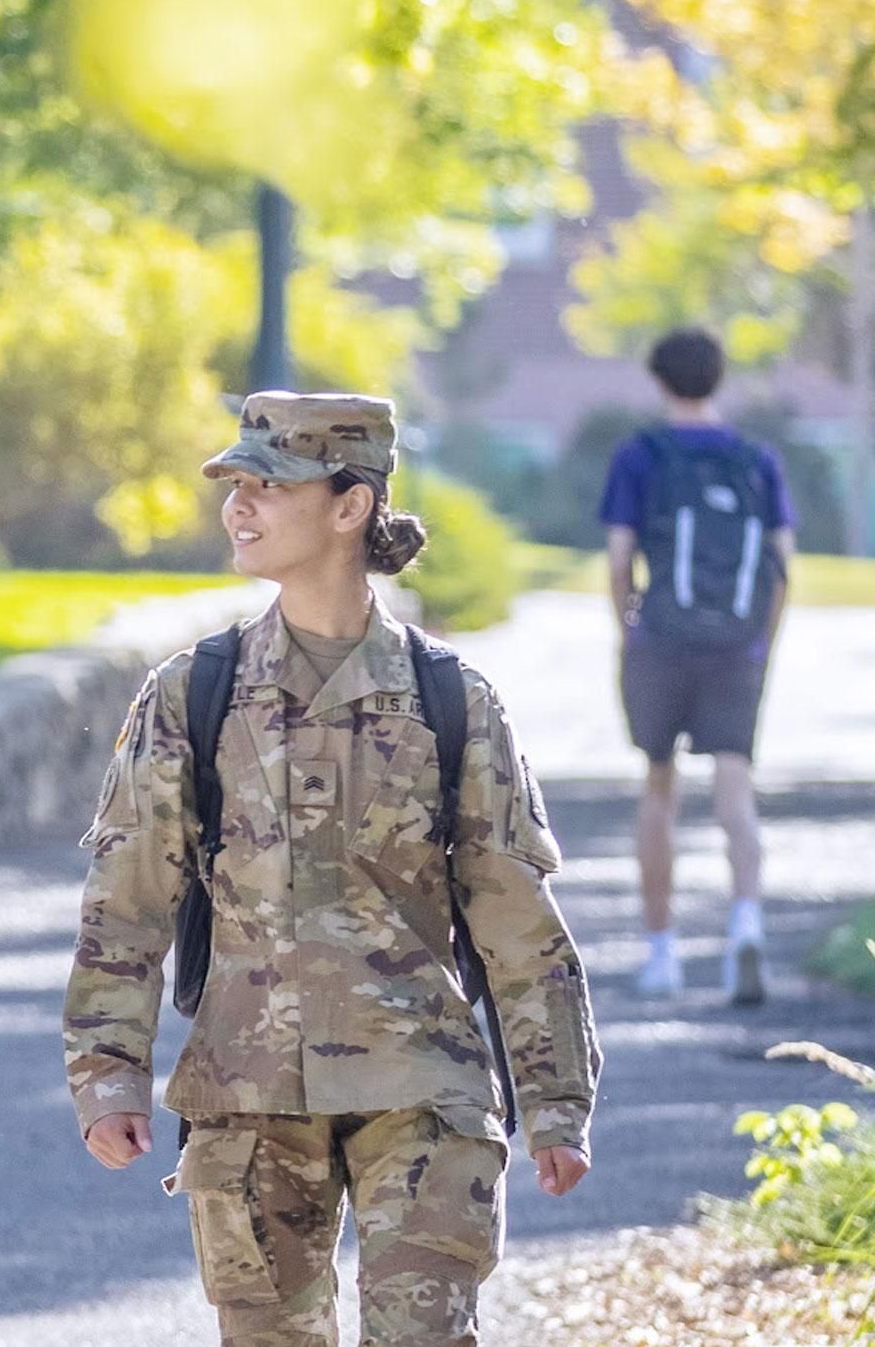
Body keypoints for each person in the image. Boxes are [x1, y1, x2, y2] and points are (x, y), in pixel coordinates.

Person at [64, 392, 600, 1347]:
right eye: (235, 485)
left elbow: (515, 913)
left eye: (270, 486)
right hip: (248, 1095)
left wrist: (555, 1101)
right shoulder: (195, 691)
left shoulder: (451, 698)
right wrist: (108, 1073)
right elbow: (129, 897)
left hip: (421, 1090)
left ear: (351, 505)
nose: (238, 507)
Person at [600, 327, 796, 1003]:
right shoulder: (756, 459)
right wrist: (761, 644)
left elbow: (620, 560)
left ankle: (663, 955)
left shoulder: (641, 455)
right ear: (719, 378)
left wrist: (629, 628)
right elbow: (782, 567)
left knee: (660, 786)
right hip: (737, 644)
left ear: (658, 380)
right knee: (735, 787)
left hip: (662, 640)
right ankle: (746, 926)